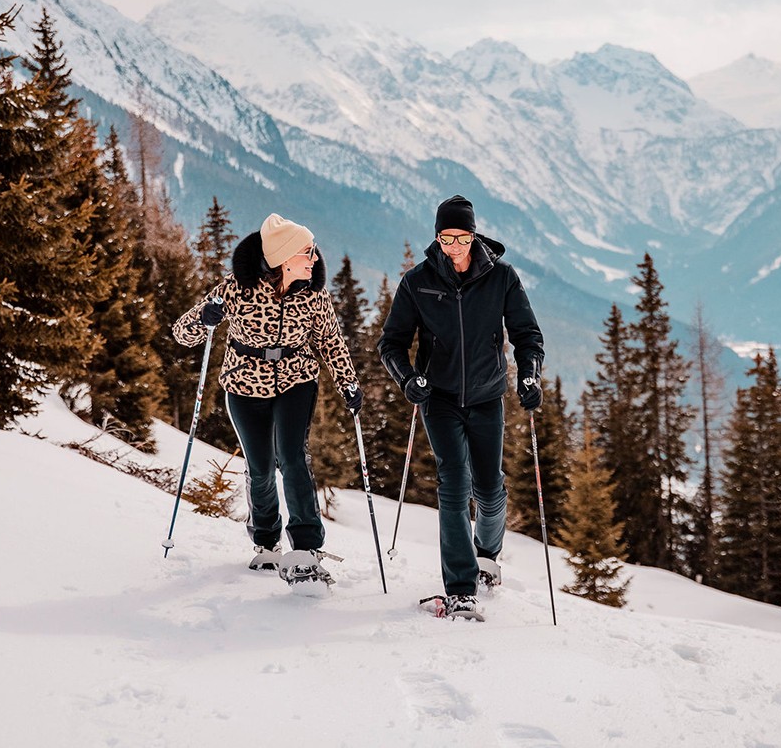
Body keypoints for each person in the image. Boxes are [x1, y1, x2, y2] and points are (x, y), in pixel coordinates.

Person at [173, 212, 362, 588]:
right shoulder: (237, 288)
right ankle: (266, 541)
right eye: (307, 252)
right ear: (283, 257)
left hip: (296, 380)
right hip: (244, 386)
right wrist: (204, 318)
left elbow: (330, 341)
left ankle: (306, 547)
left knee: (292, 458)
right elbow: (183, 334)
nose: (314, 258)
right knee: (260, 467)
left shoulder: (313, 294)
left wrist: (348, 383)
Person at [378, 194, 544, 620]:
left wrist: (529, 374)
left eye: (462, 237)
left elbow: (527, 336)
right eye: (446, 238)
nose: (454, 246)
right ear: (437, 237)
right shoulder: (417, 282)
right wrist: (408, 378)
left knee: (489, 489)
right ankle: (461, 588)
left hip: (488, 397)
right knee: (454, 485)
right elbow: (391, 344)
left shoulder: (501, 277)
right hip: (439, 398)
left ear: (474, 235)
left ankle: (486, 556)